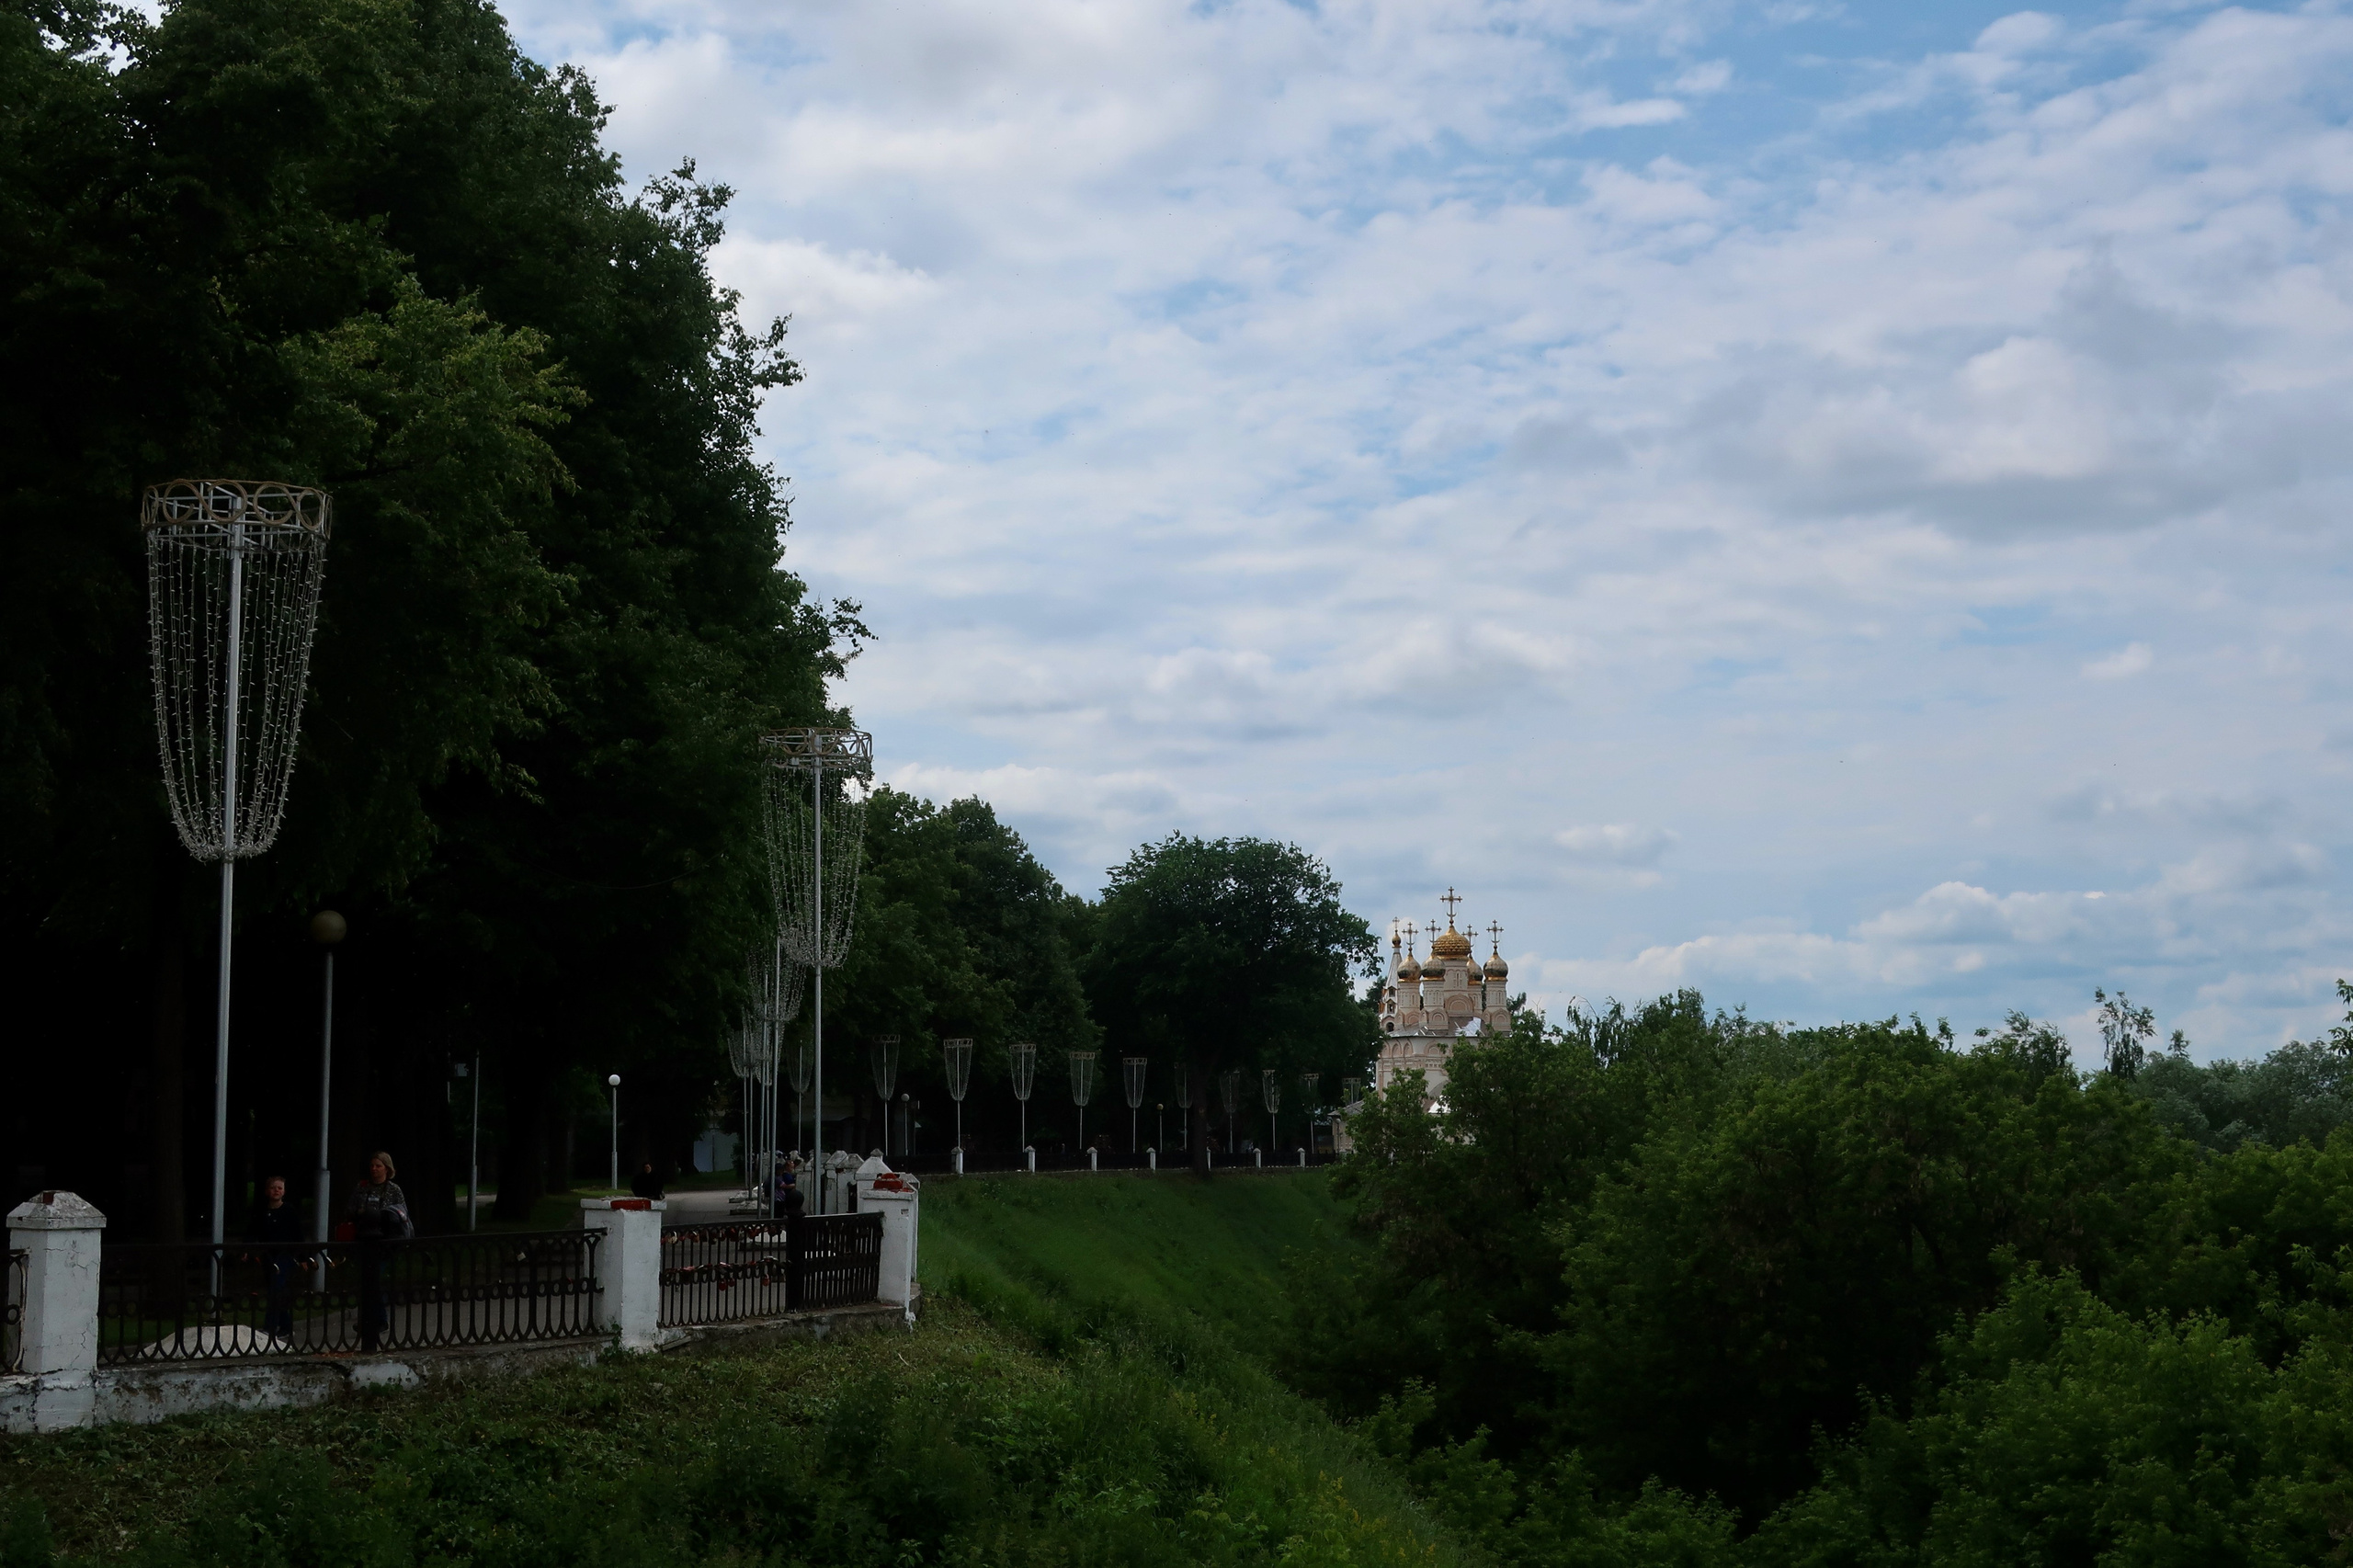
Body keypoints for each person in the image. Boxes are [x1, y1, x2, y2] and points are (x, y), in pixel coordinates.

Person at [346, 1151, 411, 1348]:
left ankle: (376, 1320)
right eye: (372, 1165)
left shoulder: (393, 1190)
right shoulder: (362, 1187)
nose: (374, 1169)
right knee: (366, 1279)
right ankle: (373, 1319)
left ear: (387, 1168)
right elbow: (350, 1209)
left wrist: (381, 1216)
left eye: (378, 1166)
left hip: (384, 1243)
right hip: (363, 1240)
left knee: (374, 1278)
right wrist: (362, 1213)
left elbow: (400, 1214)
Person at [244, 1175, 304, 1341]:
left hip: (285, 1255)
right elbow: (252, 1231)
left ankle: (270, 1327)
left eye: (279, 1188)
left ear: (284, 1191)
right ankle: (285, 1326)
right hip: (268, 1256)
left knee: (276, 1288)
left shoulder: (289, 1211)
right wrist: (247, 1249)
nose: (276, 1191)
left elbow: (298, 1234)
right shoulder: (262, 1212)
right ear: (266, 1191)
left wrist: (304, 1257)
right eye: (273, 1187)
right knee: (276, 1289)